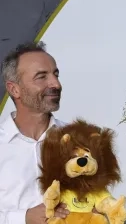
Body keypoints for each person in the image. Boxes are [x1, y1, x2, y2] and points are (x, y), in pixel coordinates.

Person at [0, 41, 71, 224]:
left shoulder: (77, 139)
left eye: (56, 74)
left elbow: (97, 199)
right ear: (14, 89)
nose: (55, 84)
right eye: (42, 77)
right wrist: (23, 218)